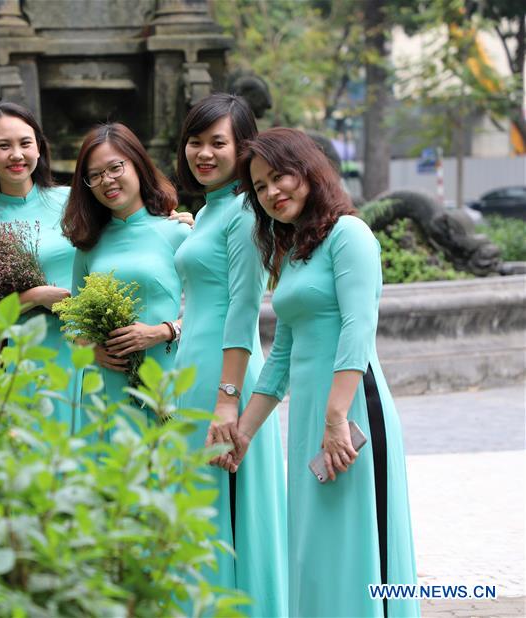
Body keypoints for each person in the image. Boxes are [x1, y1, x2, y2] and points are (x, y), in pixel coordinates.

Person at [230, 127, 419, 617]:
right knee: (315, 552)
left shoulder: (348, 234)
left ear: (308, 171)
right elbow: (283, 357)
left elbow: (359, 328)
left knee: (359, 547)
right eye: (260, 187)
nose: (273, 192)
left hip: (352, 412)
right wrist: (242, 435)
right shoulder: (294, 254)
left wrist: (336, 418)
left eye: (280, 177)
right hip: (312, 421)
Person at [173, 94, 287, 617]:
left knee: (230, 515)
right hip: (195, 375)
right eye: (195, 141)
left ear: (244, 148)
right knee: (200, 512)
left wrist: (228, 399)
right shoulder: (211, 210)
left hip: (225, 379)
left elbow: (244, 311)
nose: (204, 153)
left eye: (218, 142)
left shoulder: (244, 213)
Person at [61, 122, 190, 420]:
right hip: (104, 388)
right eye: (95, 175)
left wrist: (164, 331)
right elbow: (74, 322)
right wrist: (91, 349)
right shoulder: (88, 245)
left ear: (138, 165)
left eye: (115, 167)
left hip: (163, 380)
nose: (107, 180)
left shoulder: (177, 233)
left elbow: (210, 307)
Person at [0, 102, 79, 430]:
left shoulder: (73, 201)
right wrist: (37, 296)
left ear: (39, 149)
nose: (17, 154)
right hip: (31, 358)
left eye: (25, 143)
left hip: (91, 349)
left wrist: (171, 220)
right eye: (3, 146)